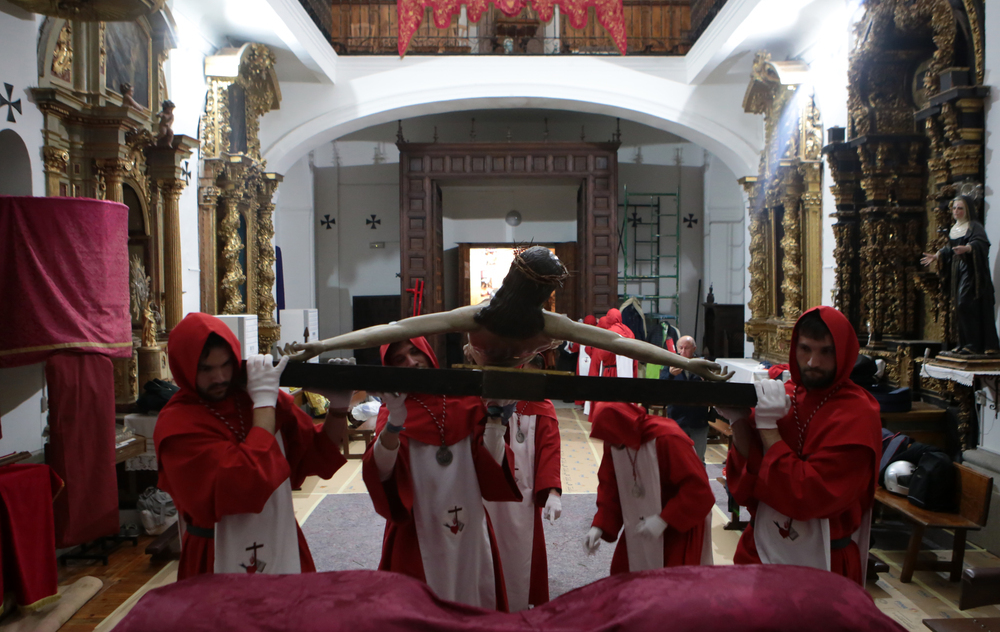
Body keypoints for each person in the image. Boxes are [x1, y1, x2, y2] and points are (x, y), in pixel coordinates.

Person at [284, 247, 731, 382]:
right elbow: (396, 329)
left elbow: (619, 343)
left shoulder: (547, 325)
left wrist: (685, 361)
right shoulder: (477, 318)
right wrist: (322, 346)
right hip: (481, 380)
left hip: (519, 388)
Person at [154, 313, 349, 579]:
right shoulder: (178, 424)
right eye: (206, 369)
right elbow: (245, 479)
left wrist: (338, 410)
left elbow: (315, 452)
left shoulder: (253, 397)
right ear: (184, 367)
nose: (220, 377)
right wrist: (264, 405)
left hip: (280, 537)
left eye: (226, 365)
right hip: (215, 551)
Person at [720, 306, 882, 585]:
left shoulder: (857, 413)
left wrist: (769, 431)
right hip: (760, 548)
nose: (812, 362)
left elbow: (809, 496)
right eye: (805, 348)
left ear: (844, 353)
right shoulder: (781, 396)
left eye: (826, 351)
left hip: (825, 559)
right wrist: (738, 422)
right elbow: (746, 484)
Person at [362, 336, 521, 611]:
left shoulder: (465, 401)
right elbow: (383, 471)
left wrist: (495, 416)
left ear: (428, 353)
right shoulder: (391, 412)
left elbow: (490, 465)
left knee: (475, 594)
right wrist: (394, 424)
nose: (411, 362)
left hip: (470, 522)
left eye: (415, 352)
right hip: (418, 527)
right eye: (400, 359)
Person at [583, 403, 714, 573]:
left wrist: (664, 519)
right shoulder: (616, 440)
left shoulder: (668, 438)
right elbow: (610, 487)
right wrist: (599, 526)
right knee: (624, 574)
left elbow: (699, 490)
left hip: (679, 522)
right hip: (642, 520)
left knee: (674, 583)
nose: (608, 444)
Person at [483, 356, 563, 612]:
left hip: (524, 496)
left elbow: (550, 449)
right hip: (487, 493)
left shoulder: (543, 406)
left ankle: (518, 606)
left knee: (522, 553)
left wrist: (552, 492)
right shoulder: (487, 399)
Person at [921, 195, 1000, 355]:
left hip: (972, 271)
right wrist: (938, 256)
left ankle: (974, 344)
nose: (956, 211)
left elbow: (981, 244)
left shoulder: (974, 226)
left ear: (967, 210)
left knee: (966, 304)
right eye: (955, 208)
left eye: (960, 208)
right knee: (958, 306)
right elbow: (950, 249)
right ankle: (963, 343)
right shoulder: (954, 228)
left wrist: (969, 248)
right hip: (957, 269)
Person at [662, 335, 715, 461]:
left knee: (699, 459)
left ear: (694, 349)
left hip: (698, 420)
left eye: (687, 348)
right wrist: (670, 375)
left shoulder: (702, 365)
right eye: (680, 347)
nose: (683, 351)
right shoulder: (670, 364)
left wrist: (706, 380)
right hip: (677, 418)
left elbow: (712, 391)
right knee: (676, 457)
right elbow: (661, 388)